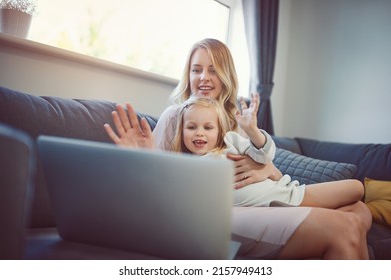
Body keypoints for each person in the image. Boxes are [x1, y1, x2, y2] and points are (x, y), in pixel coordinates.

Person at [104, 38, 372, 259]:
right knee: (345, 226)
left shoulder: (239, 119)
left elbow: (271, 172)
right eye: (196, 70)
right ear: (188, 75)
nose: (204, 78)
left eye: (213, 70)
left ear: (226, 76)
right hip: (219, 212)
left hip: (262, 201)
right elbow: (156, 194)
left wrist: (266, 169)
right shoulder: (176, 115)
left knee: (360, 211)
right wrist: (142, 158)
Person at [168, 95, 365, 209]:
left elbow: (264, 156)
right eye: (192, 127)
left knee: (358, 193)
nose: (199, 133)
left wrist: (252, 131)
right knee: (355, 204)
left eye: (208, 127)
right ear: (182, 130)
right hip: (269, 206)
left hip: (288, 194)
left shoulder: (231, 142)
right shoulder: (186, 168)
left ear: (220, 131)